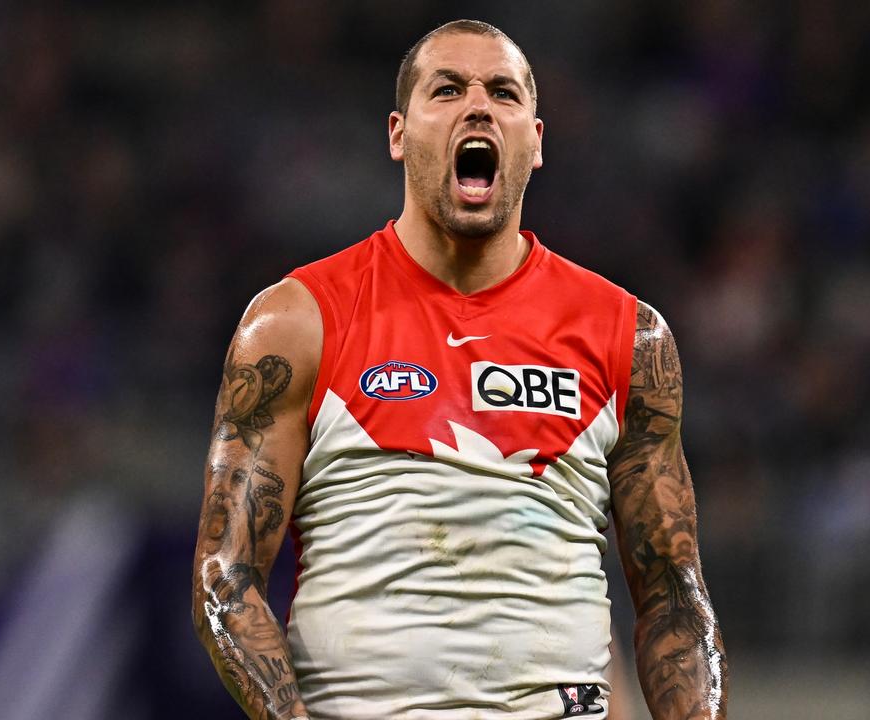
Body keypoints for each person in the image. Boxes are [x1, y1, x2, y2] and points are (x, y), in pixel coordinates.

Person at [191, 19, 727, 720]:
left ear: (536, 141)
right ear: (397, 134)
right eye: (447, 90)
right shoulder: (298, 323)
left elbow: (674, 597)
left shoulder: (628, 337)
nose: (478, 106)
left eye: (503, 92)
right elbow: (226, 580)